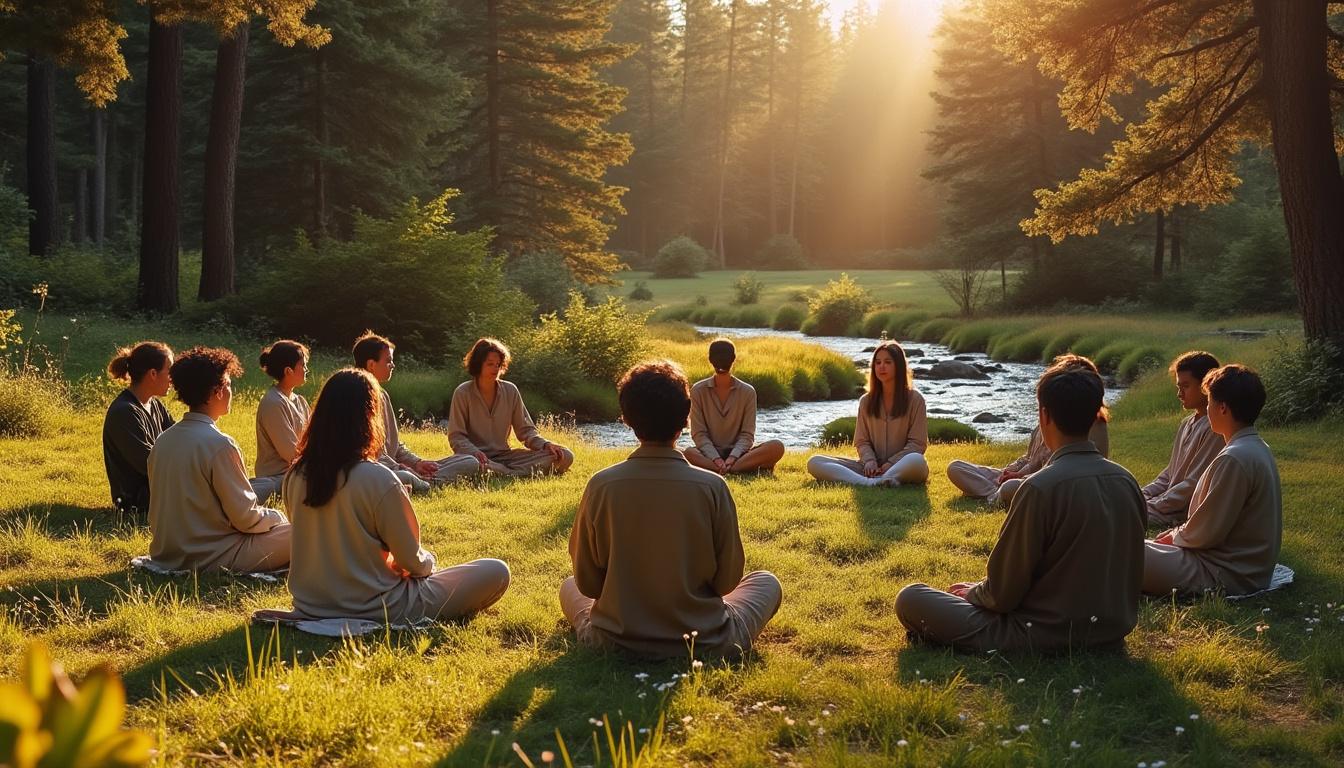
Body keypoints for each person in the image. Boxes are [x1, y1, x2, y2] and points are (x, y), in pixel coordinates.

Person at [895, 357, 1146, 652]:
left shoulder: (1039, 488)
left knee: (911, 598)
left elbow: (1002, 595)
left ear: (1044, 416)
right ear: (1095, 415)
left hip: (1041, 633)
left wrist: (973, 593)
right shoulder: (1127, 481)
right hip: (1110, 631)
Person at [560, 360, 782, 658]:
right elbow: (727, 582)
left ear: (626, 418)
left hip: (614, 640)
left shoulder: (601, 485)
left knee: (569, 586)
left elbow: (587, 584)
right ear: (686, 418)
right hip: (704, 640)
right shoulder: (712, 487)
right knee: (766, 582)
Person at [283, 369, 511, 621]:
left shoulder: (295, 474)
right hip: (381, 606)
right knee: (496, 570)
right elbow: (412, 563)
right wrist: (429, 561)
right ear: (369, 417)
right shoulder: (377, 478)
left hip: (311, 604)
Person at [146, 346, 290, 573]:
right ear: (217, 391)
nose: (232, 392)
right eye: (229, 386)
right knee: (308, 532)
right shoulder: (220, 444)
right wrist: (277, 516)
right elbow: (247, 519)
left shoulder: (163, 440)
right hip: (213, 554)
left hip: (168, 552)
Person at [1143, 364, 1282, 597]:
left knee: (1121, 553)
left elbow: (1206, 532)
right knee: (1129, 546)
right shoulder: (1255, 447)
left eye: (1209, 403)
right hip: (1237, 566)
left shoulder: (1234, 458)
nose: (1207, 410)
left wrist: (1173, 536)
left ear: (1223, 408)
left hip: (1224, 573)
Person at [945, 353, 1111, 505]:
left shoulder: (1091, 423)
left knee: (1012, 487)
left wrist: (1021, 477)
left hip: (1053, 482)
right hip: (1035, 478)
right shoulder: (1053, 415)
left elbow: (1061, 469)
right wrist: (1012, 472)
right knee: (956, 467)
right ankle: (998, 491)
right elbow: (1030, 458)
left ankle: (995, 496)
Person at [441, 338, 573, 479]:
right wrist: (474, 452)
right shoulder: (463, 392)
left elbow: (526, 431)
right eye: (490, 364)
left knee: (565, 455)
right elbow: (456, 436)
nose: (495, 369)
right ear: (478, 365)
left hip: (507, 457)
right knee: (472, 464)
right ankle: (511, 472)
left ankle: (504, 472)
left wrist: (546, 445)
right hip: (477, 458)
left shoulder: (510, 390)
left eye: (498, 364)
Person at [807, 341, 929, 487]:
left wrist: (891, 463)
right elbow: (862, 441)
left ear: (899, 366)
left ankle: (887, 478)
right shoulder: (866, 401)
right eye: (877, 362)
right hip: (870, 469)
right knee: (815, 462)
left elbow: (917, 444)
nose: (881, 366)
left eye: (888, 362)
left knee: (916, 459)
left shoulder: (916, 400)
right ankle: (870, 483)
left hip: (903, 467)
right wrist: (870, 461)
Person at [353, 331, 447, 493]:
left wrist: (417, 463)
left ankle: (424, 478)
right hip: (371, 469)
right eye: (389, 361)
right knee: (405, 477)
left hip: (392, 467)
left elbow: (394, 445)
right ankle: (426, 483)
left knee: (468, 461)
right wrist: (398, 467)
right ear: (371, 365)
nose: (393, 366)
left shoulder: (382, 395)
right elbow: (366, 452)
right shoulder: (356, 395)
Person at [1141, 351, 1225, 525]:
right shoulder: (1187, 423)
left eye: (1185, 386)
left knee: (1120, 515)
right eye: (1179, 387)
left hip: (1182, 511)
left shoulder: (1214, 428)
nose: (1179, 394)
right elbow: (1170, 474)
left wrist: (1154, 504)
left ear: (1206, 386)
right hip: (1166, 505)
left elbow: (1194, 485)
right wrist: (1142, 494)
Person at [682, 338, 785, 475]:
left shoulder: (747, 392)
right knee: (688, 452)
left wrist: (732, 457)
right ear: (734, 359)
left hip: (740, 455)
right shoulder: (698, 390)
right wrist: (716, 458)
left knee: (776, 446)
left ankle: (729, 468)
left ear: (709, 359)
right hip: (708, 454)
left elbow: (747, 435)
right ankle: (731, 468)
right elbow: (699, 434)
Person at [102, 341, 175, 516]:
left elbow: (179, 439)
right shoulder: (125, 412)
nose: (173, 378)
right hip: (138, 501)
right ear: (153, 374)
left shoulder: (155, 405)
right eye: (170, 371)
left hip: (161, 489)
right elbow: (150, 465)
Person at [251, 340, 311, 505]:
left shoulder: (300, 401)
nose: (307, 369)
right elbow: (292, 454)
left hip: (301, 471)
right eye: (303, 365)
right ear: (288, 371)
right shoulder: (273, 402)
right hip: (280, 477)